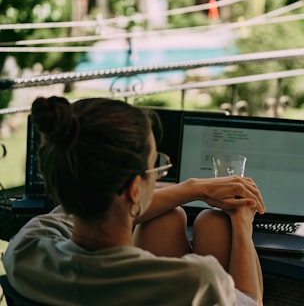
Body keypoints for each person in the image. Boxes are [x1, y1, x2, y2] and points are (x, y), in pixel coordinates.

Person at [2, 96, 265, 305]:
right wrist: (242, 223)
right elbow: (251, 302)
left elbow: (71, 214)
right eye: (155, 167)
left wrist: (193, 189)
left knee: (169, 216)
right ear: (134, 188)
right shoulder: (192, 283)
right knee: (209, 222)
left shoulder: (26, 249)